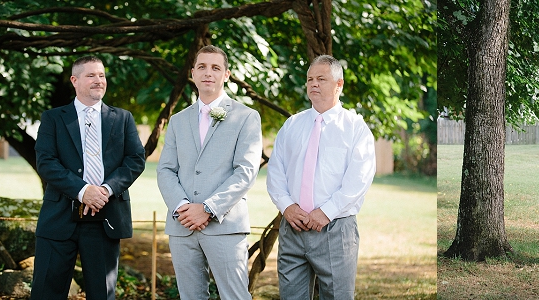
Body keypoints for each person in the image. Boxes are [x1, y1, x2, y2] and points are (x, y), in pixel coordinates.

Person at [31, 55, 146, 299]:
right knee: (46, 292)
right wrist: (84, 191)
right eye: (91, 75)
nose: (98, 80)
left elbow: (135, 159)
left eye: (102, 75)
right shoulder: (53, 118)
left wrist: (105, 190)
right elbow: (46, 162)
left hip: (105, 219)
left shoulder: (123, 118)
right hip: (59, 218)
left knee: (102, 294)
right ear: (74, 80)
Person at [157, 45, 262, 300]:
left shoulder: (246, 117)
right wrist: (183, 206)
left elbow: (245, 172)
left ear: (226, 74)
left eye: (216, 68)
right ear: (192, 73)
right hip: (182, 226)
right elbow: (166, 169)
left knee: (235, 296)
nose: (208, 73)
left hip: (224, 225)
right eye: (202, 67)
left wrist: (207, 208)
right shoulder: (179, 120)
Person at [267, 54, 376, 299]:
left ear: (339, 85)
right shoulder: (292, 125)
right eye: (310, 79)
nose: (313, 84)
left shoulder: (355, 127)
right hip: (292, 228)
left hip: (335, 230)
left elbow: (359, 178)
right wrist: (286, 207)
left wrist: (325, 212)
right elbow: (275, 172)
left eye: (321, 79)